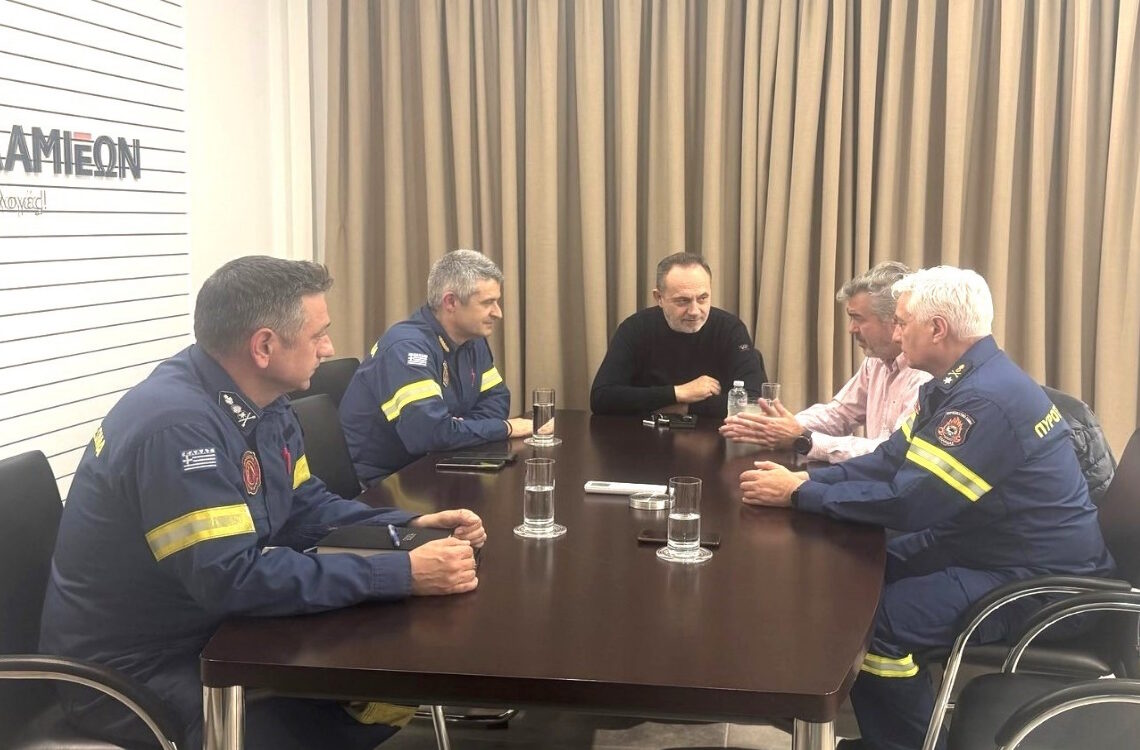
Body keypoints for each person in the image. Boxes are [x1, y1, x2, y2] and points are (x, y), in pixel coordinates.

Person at [39, 256, 486, 750]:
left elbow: (304, 506)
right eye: (318, 335)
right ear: (264, 346)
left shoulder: (263, 402)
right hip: (133, 671)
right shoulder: (179, 430)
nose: (329, 349)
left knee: (378, 681)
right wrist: (401, 573)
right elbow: (231, 579)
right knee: (339, 710)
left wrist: (407, 525)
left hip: (214, 631)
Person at [737, 266, 1114, 750]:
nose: (895, 333)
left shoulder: (983, 400)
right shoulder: (956, 384)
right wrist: (806, 481)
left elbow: (910, 503)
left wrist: (799, 495)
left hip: (1040, 582)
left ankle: (903, 745)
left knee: (876, 624)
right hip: (985, 548)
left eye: (903, 322)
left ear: (937, 329)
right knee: (852, 577)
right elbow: (889, 461)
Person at [340, 249, 532, 483]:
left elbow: (497, 398)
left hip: (442, 463)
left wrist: (456, 430)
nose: (498, 313)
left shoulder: (473, 339)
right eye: (487, 303)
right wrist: (504, 428)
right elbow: (428, 434)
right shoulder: (407, 348)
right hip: (386, 480)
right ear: (450, 302)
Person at [720, 262, 930, 462]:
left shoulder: (925, 373)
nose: (851, 329)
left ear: (894, 320)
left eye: (858, 318)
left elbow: (892, 454)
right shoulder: (875, 361)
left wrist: (804, 439)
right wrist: (782, 426)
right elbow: (840, 414)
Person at [590, 252, 767, 419]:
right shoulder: (635, 328)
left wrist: (683, 407)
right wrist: (677, 393)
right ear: (659, 298)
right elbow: (601, 398)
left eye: (702, 298)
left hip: (715, 436)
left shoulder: (730, 329)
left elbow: (755, 402)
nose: (694, 311)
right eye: (682, 301)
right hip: (647, 435)